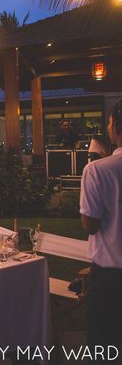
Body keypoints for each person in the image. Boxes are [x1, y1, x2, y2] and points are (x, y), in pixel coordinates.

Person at [80, 99, 122, 351]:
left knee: (103, 346)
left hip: (110, 277)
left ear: (114, 126)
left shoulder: (98, 170)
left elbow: (90, 225)